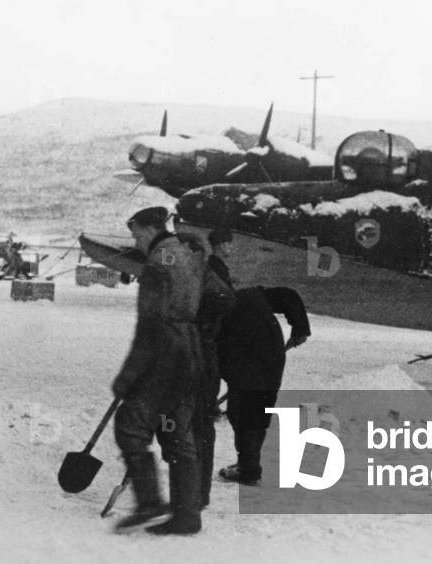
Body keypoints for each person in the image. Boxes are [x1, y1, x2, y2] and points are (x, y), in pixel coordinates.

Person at [111, 207, 205, 536]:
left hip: (165, 354)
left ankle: (149, 503)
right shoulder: (186, 254)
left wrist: (127, 376)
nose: (136, 242)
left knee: (130, 426)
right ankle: (187, 515)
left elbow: (148, 326)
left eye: (137, 234)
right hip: (191, 351)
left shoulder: (156, 265)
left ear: (151, 230)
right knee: (177, 432)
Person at [217, 285, 311, 485]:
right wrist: (300, 327)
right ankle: (248, 465)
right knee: (255, 413)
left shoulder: (216, 312)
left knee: (243, 413)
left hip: (249, 363)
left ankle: (248, 469)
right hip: (272, 359)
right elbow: (289, 295)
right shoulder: (249, 296)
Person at [191, 229, 237, 509]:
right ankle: (196, 492)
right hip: (205, 352)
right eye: (224, 243)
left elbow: (225, 301)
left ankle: (195, 493)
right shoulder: (212, 270)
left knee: (197, 424)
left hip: (204, 352)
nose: (227, 248)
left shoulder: (211, 272)